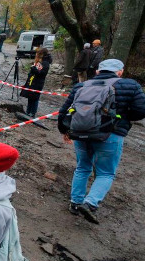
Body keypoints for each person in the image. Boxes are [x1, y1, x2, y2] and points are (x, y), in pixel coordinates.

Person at [58, 59, 145, 224]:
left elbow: (65, 111)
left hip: (81, 133)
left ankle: (75, 203)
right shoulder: (130, 85)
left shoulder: (81, 86)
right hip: (111, 134)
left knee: (82, 167)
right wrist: (123, 120)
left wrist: (65, 131)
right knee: (105, 172)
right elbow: (140, 111)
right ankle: (90, 203)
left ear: (98, 71)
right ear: (120, 71)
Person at [20, 48, 52, 117]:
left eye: (40, 54)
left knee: (35, 98)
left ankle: (32, 113)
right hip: (33, 81)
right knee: (30, 97)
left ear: (43, 54)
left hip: (38, 83)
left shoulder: (45, 63)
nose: (38, 55)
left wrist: (33, 69)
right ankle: (28, 111)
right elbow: (37, 70)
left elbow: (42, 73)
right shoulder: (41, 61)